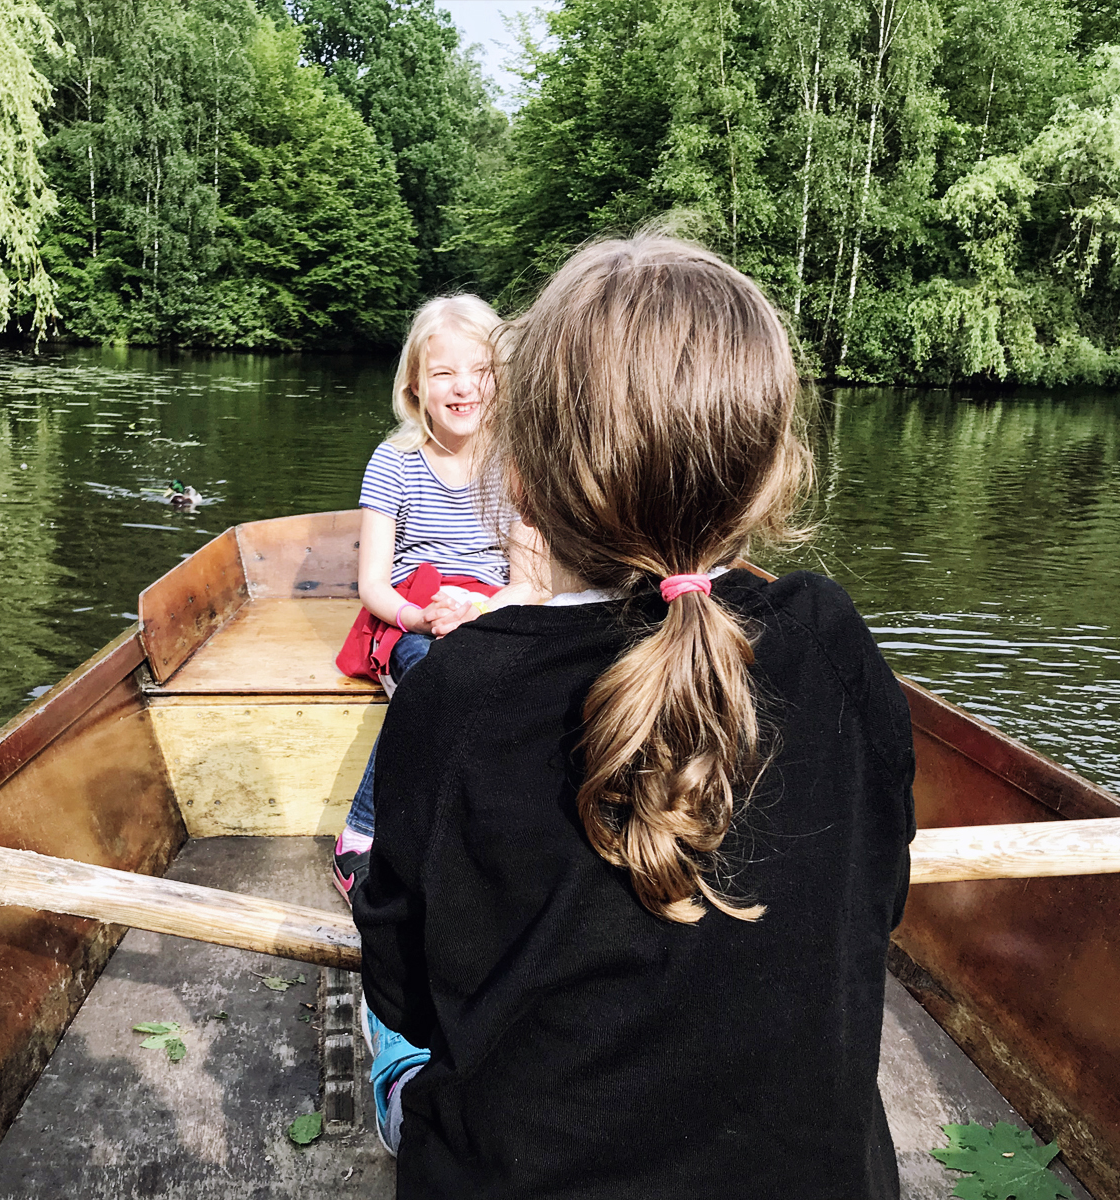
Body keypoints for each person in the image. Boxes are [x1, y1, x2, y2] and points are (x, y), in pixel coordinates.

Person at [354, 233, 917, 1198]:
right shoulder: (831, 642)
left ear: (520, 479)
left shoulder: (462, 690)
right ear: (769, 473)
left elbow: (403, 987)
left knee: (392, 1043)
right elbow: (879, 897)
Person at [331, 294, 547, 903]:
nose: (463, 388)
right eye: (443, 373)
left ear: (499, 381)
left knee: (522, 675)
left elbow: (528, 582)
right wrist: (420, 615)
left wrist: (477, 610)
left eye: (479, 371)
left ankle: (501, 830)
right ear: (415, 388)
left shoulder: (515, 465)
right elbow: (372, 585)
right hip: (410, 617)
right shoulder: (394, 462)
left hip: (491, 612)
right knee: (435, 675)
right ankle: (360, 834)